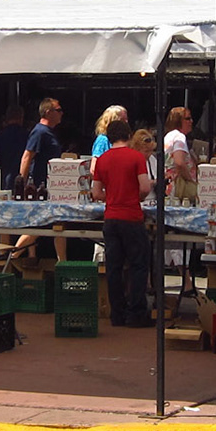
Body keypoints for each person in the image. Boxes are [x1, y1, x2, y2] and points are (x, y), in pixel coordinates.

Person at [91, 119, 155, 327]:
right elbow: (145, 187)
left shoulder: (102, 160)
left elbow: (95, 192)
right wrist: (134, 196)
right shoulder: (136, 157)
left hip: (111, 218)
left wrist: (111, 196)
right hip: (132, 216)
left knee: (114, 267)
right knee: (138, 265)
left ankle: (117, 313)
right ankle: (137, 312)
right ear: (128, 135)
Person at [19, 97, 64, 194]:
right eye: (58, 110)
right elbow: (27, 157)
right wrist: (21, 185)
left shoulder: (49, 132)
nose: (61, 113)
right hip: (39, 187)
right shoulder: (39, 132)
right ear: (48, 112)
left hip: (50, 185)